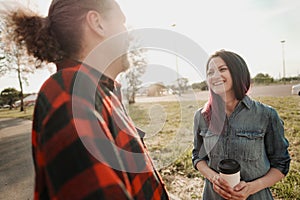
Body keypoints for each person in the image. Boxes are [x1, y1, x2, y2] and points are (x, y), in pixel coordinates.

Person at [6, 0, 169, 199]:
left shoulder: (100, 92)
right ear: (97, 23)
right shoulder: (69, 91)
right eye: (122, 22)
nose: (128, 33)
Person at [192, 50, 290, 200]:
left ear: (238, 72)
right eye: (210, 72)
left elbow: (281, 164)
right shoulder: (201, 116)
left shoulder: (267, 115)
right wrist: (214, 178)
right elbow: (198, 157)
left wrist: (251, 188)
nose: (215, 76)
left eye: (222, 69)